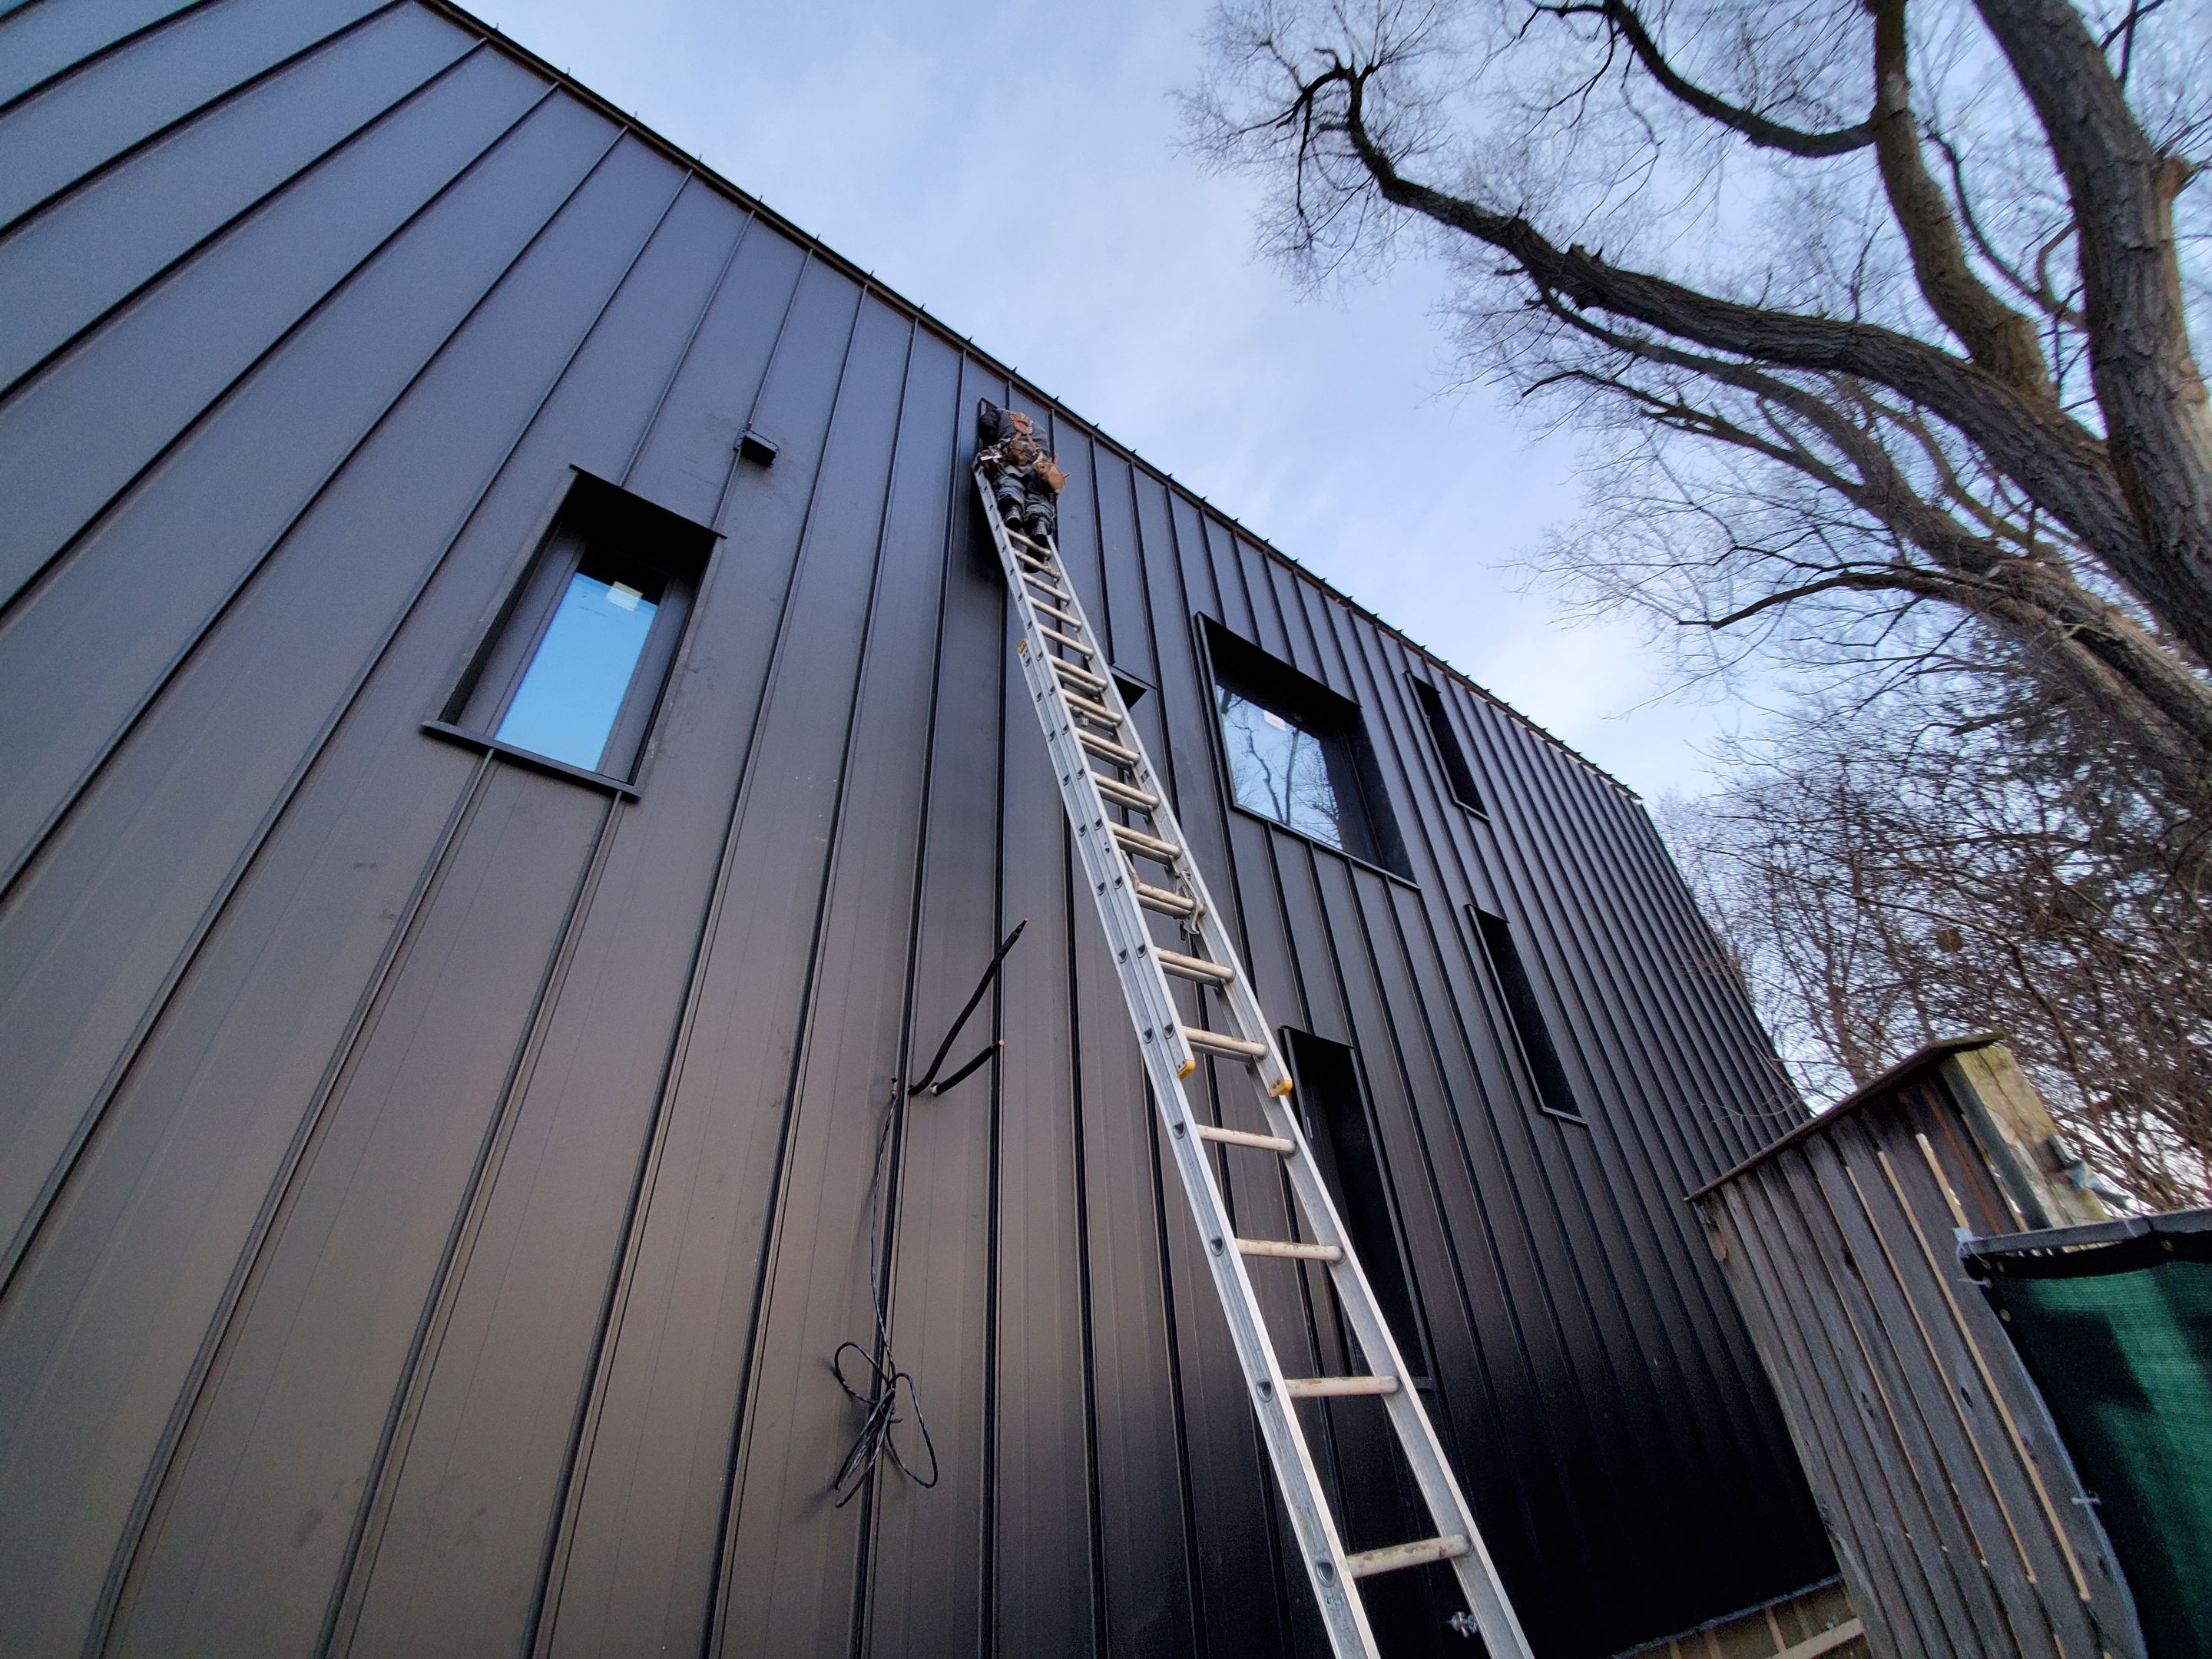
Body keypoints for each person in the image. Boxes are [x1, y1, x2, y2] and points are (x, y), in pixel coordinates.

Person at [976, 401, 1065, 542]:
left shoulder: (1000, 414)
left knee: (1010, 481)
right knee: (1038, 497)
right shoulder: (1040, 429)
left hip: (1015, 457)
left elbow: (986, 424)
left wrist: (992, 444)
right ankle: (1040, 525)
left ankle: (1013, 510)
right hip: (1039, 466)